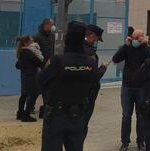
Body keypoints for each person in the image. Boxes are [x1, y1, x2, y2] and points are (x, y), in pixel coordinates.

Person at [39, 21, 100, 151]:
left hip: (56, 115)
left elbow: (40, 81)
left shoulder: (57, 61)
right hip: (77, 115)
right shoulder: (91, 62)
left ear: (67, 39)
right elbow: (93, 83)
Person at [113, 29, 150, 151]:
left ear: (141, 37)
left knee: (141, 116)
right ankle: (125, 142)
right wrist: (126, 46)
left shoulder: (146, 49)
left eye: (137, 38)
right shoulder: (128, 48)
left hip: (141, 87)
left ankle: (141, 141)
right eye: (133, 38)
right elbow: (116, 59)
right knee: (126, 116)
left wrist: (144, 44)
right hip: (127, 86)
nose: (135, 40)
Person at [83, 24, 108, 141]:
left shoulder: (77, 49)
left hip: (80, 92)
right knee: (83, 125)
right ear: (92, 36)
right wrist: (103, 68)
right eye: (97, 38)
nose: (96, 41)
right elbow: (94, 76)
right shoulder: (90, 54)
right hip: (88, 93)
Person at [15, 35, 45, 122]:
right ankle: (26, 114)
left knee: (24, 94)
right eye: (31, 42)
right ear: (26, 43)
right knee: (32, 94)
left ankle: (20, 112)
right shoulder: (28, 52)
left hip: (25, 75)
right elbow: (39, 62)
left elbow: (18, 65)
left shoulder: (21, 52)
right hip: (32, 76)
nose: (33, 43)